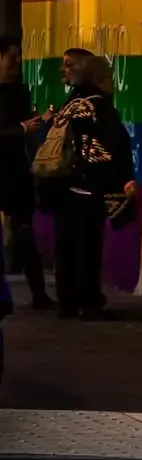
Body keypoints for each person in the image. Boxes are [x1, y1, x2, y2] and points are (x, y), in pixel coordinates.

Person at [37, 49, 136, 319]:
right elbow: (114, 146)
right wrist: (121, 179)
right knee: (87, 246)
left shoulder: (72, 103)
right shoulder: (98, 106)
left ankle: (68, 301)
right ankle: (88, 300)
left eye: (69, 65)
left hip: (64, 185)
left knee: (67, 246)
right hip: (87, 185)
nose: (63, 70)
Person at [0, 34, 52, 309]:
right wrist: (22, 130)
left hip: (16, 171)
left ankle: (39, 294)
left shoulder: (20, 91)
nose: (17, 63)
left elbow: (27, 130)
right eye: (11, 57)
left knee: (25, 232)